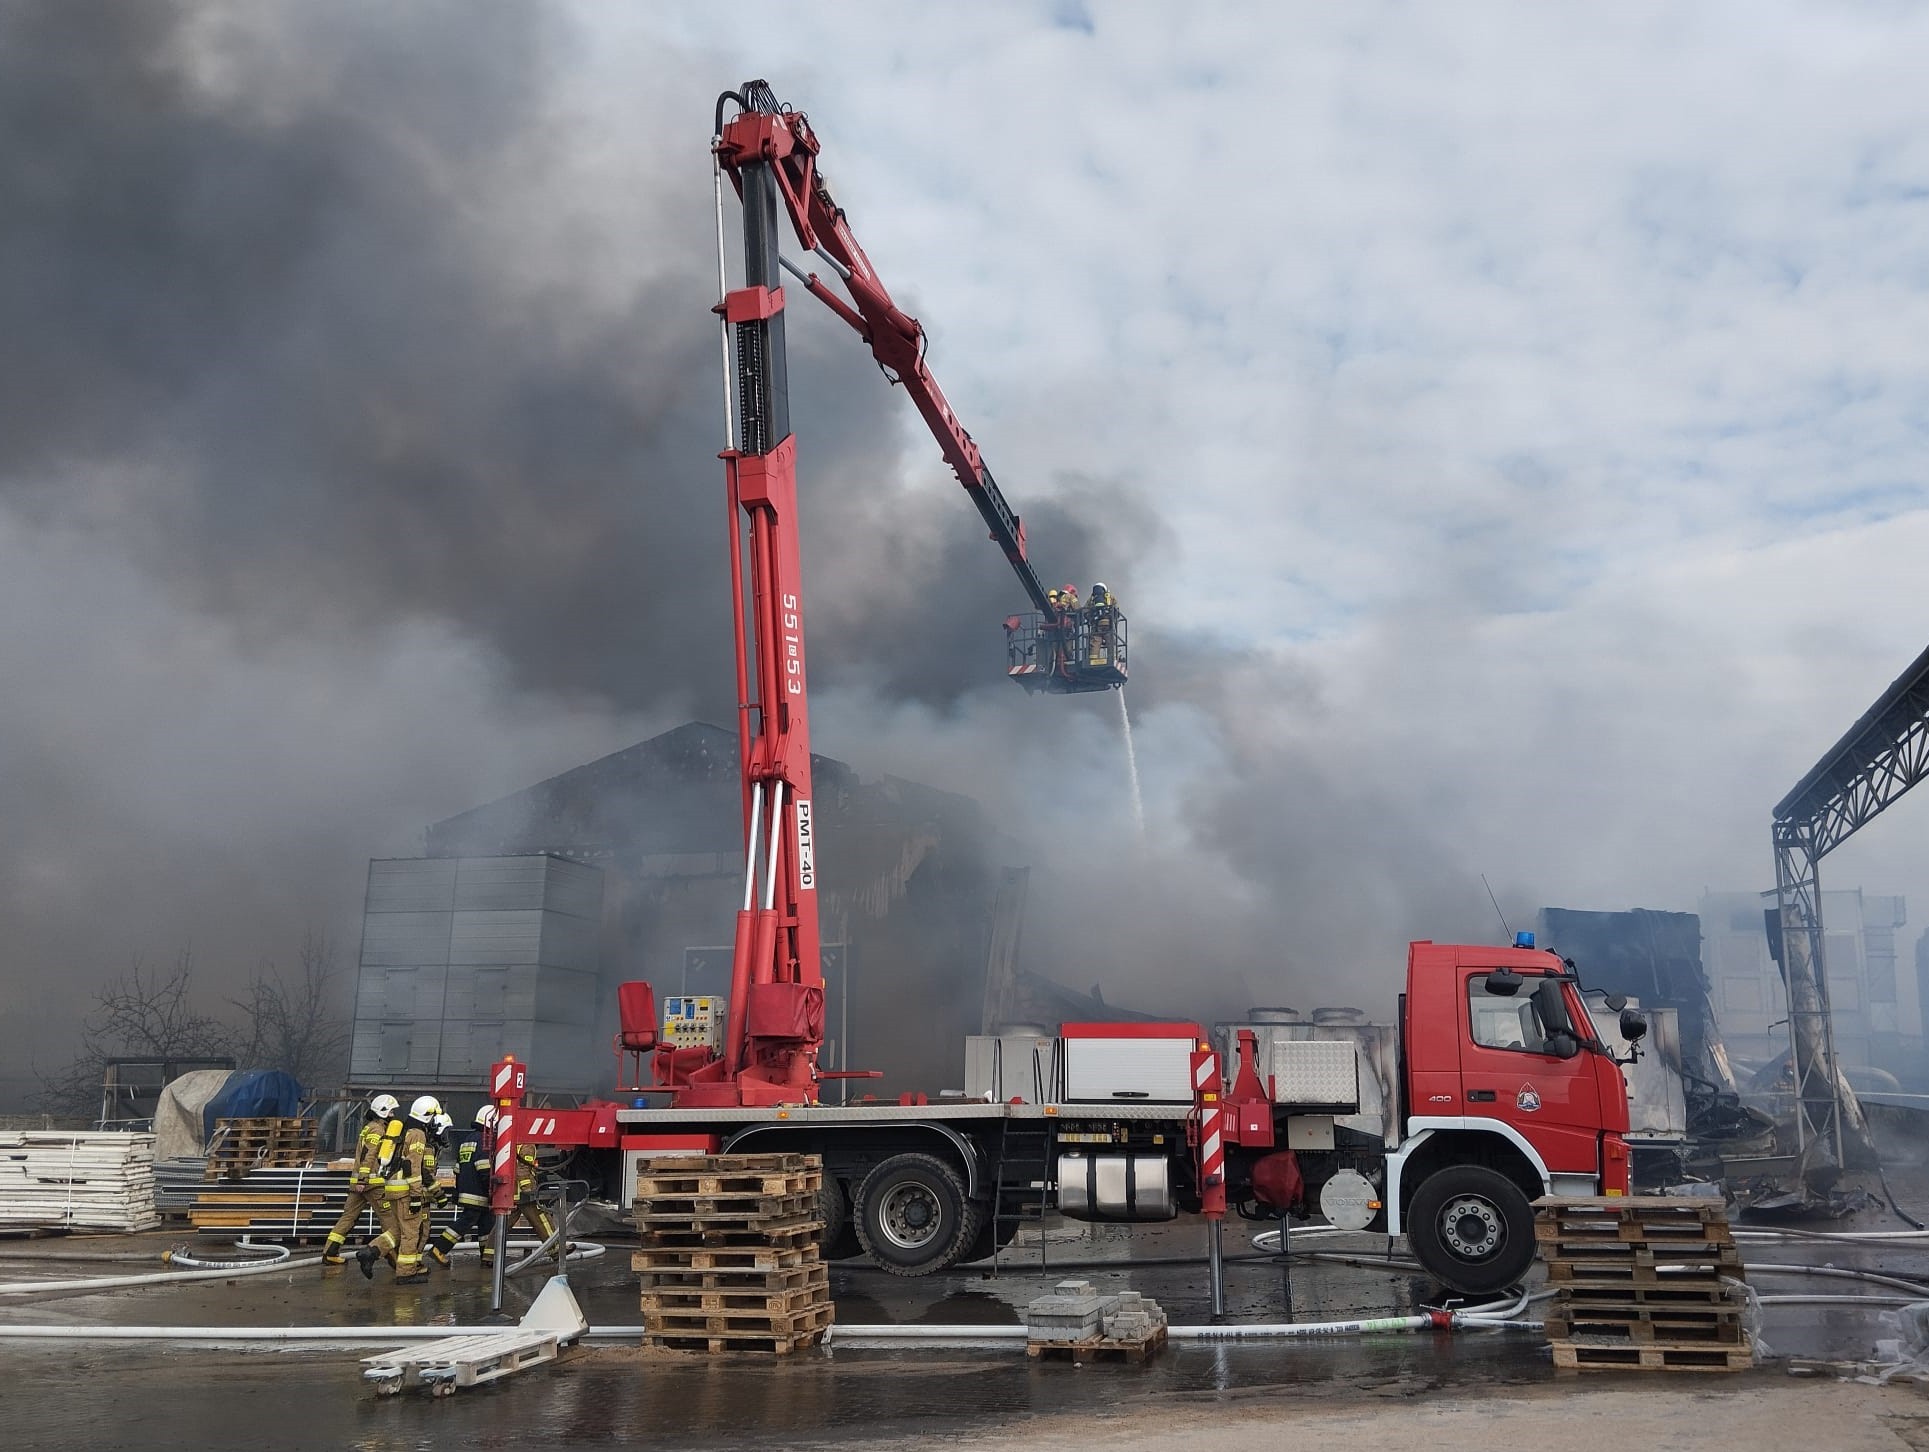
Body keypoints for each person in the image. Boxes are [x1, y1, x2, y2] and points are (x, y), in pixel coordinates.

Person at [358, 1094, 440, 1284]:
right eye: (433, 1117)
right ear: (427, 1116)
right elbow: (413, 1167)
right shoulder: (418, 1134)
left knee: (397, 1229)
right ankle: (406, 1273)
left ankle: (370, 1252)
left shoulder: (403, 1128)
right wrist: (416, 1196)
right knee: (410, 1233)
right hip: (405, 1190)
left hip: (392, 1187)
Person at [322, 1093, 397, 1267]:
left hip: (358, 1182)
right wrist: (364, 1179)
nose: (393, 1115)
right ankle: (392, 1255)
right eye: (391, 1111)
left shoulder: (368, 1127)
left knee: (348, 1218)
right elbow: (369, 1154)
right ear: (383, 1112)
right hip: (371, 1183)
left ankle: (330, 1253)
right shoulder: (378, 1130)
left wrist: (360, 1180)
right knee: (389, 1220)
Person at [428, 1106, 498, 1269]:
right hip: (479, 1192)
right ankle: (439, 1248)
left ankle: (488, 1256)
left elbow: (458, 1168)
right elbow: (484, 1168)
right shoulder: (485, 1140)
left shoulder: (467, 1140)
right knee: (465, 1222)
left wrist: (457, 1190)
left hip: (467, 1190)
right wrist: (492, 1189)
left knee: (486, 1224)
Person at [1086, 581, 1117, 667]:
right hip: (1108, 623)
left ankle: (1093, 660)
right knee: (1110, 641)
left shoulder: (1092, 599)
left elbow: (1085, 611)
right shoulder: (1110, 597)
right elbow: (1116, 610)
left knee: (1095, 642)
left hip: (1096, 624)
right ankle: (1113, 658)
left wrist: (1090, 619)